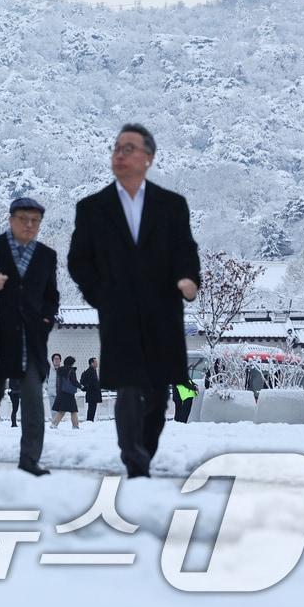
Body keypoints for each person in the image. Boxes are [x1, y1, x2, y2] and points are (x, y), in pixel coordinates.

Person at [68, 123, 201, 479]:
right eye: (116, 148)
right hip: (119, 314)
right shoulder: (93, 208)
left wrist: (189, 280)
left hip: (163, 313)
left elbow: (186, 251)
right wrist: (102, 296)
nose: (120, 154)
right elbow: (78, 260)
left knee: (159, 395)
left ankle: (143, 452)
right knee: (128, 387)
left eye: (129, 148)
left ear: (148, 158)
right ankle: (135, 461)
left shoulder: (172, 206)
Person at [0, 196, 60, 476]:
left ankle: (30, 458)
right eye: (24, 220)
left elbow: (52, 296)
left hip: (32, 340)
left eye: (35, 221)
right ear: (11, 220)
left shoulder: (46, 255)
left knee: (32, 399)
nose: (29, 225)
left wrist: (47, 319)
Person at [50, 356, 81, 429]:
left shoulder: (59, 370)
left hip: (61, 392)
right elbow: (74, 382)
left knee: (61, 410)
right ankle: (75, 426)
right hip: (69, 393)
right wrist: (81, 387)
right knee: (73, 410)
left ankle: (54, 424)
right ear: (71, 363)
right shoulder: (71, 371)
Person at [81, 357, 102, 422]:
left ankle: (90, 421)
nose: (97, 364)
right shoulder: (90, 371)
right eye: (95, 362)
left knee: (92, 409)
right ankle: (89, 421)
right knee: (91, 409)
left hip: (92, 394)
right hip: (92, 394)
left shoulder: (93, 371)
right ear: (91, 363)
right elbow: (93, 383)